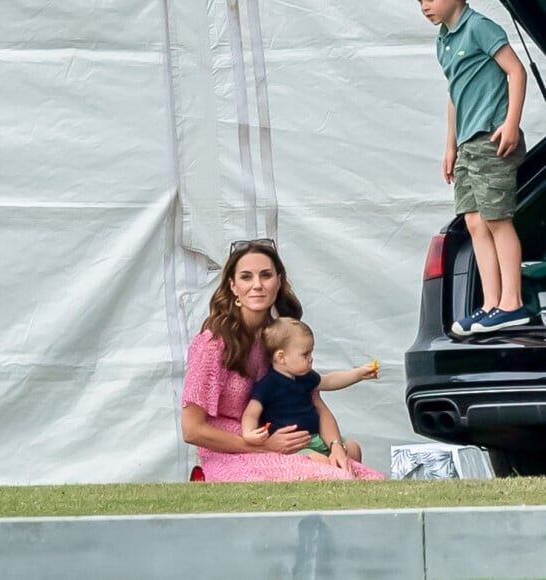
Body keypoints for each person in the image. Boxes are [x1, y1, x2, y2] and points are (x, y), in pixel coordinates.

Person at [181, 238, 384, 482]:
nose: (257, 285)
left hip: (285, 440)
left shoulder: (279, 337)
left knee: (363, 470)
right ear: (233, 286)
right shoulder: (212, 344)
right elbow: (191, 430)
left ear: (279, 281)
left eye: (265, 275)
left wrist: (335, 446)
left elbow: (315, 402)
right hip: (231, 450)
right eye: (246, 277)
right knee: (337, 478)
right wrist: (265, 447)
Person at [419, 0, 530, 335]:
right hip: (468, 144)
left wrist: (512, 122)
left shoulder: (479, 27)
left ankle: (512, 303)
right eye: (419, 0)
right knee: (474, 221)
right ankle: (491, 304)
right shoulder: (444, 40)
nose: (425, 6)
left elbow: (516, 71)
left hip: (490, 136)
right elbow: (455, 94)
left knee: (497, 219)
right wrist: (450, 146)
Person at [242, 317, 379, 465]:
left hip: (317, 438)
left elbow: (329, 381)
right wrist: (249, 433)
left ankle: (355, 479)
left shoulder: (306, 377)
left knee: (353, 448)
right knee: (322, 462)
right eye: (305, 354)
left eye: (311, 353)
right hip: (295, 446)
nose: (311, 359)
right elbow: (251, 413)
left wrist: (358, 374)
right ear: (281, 357)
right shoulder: (267, 385)